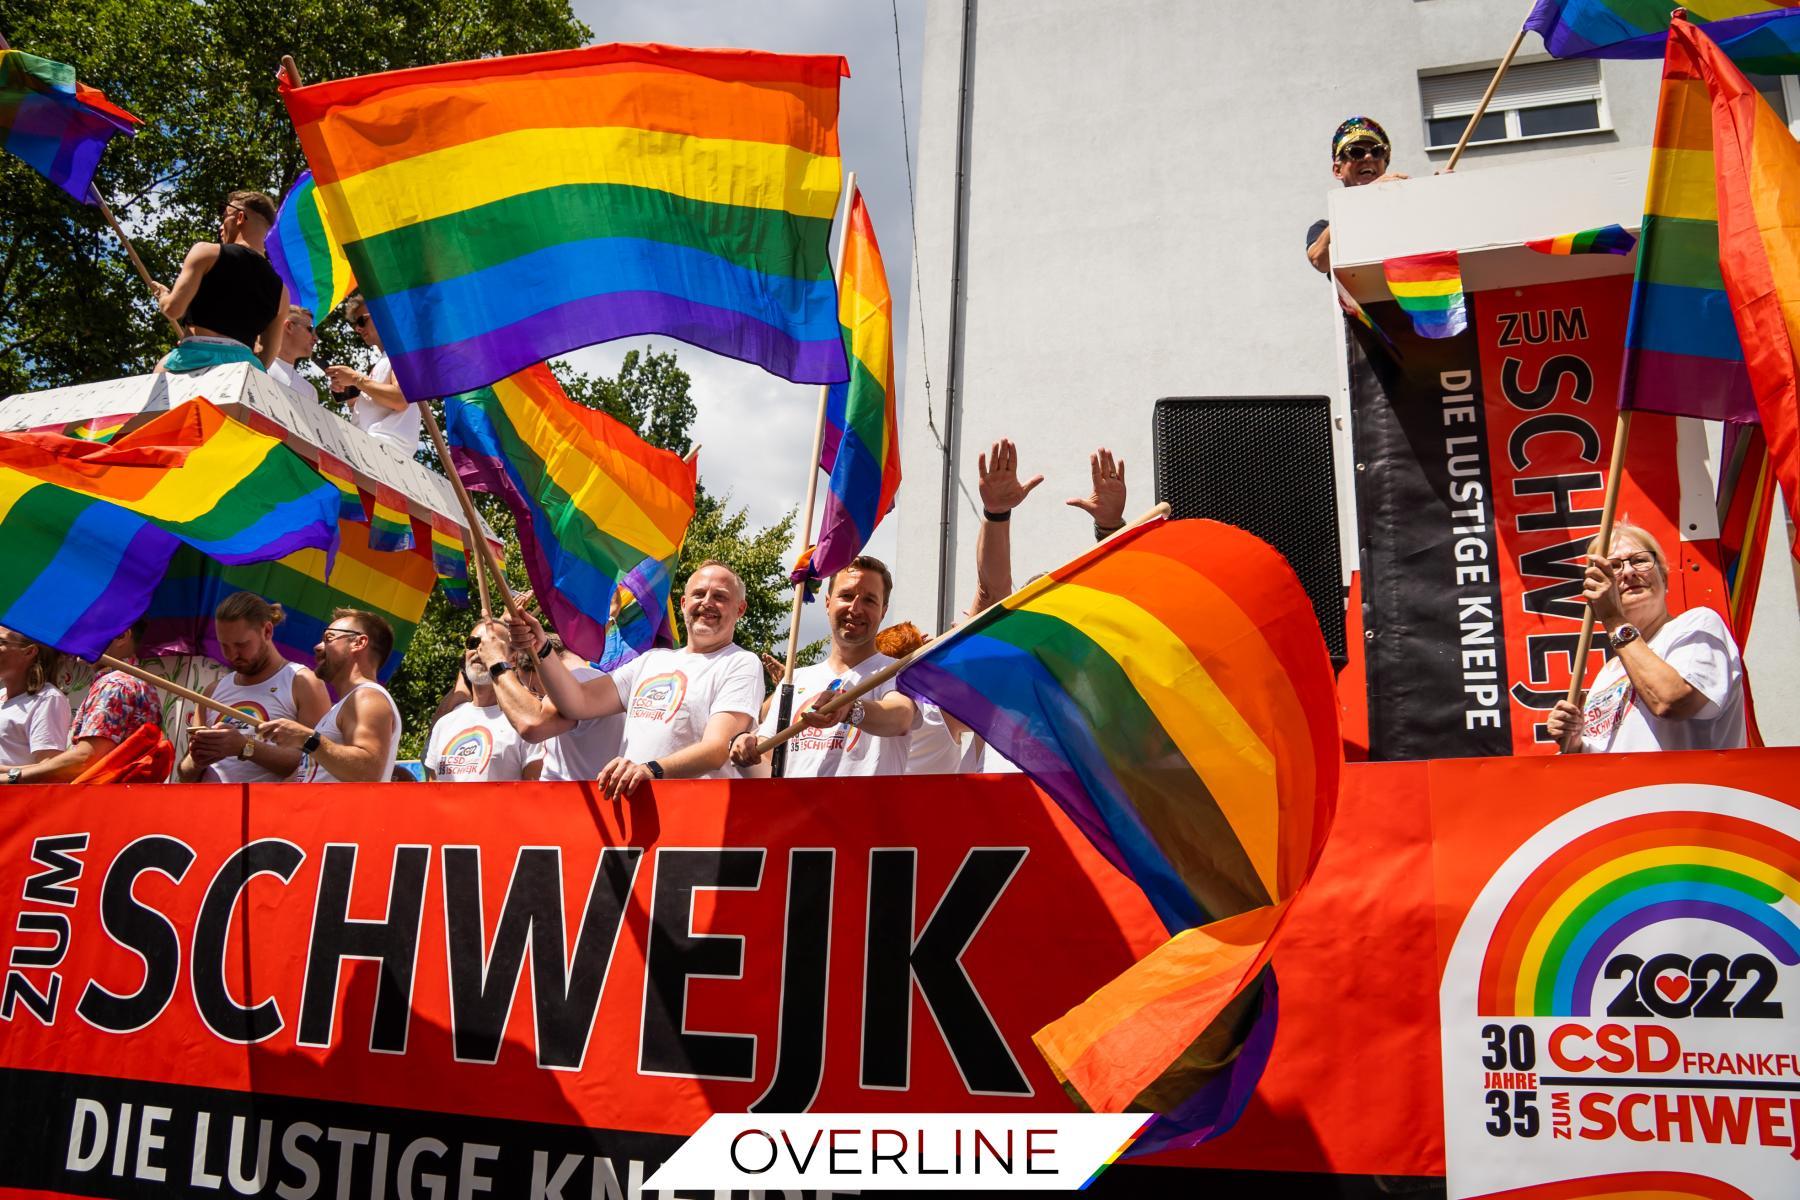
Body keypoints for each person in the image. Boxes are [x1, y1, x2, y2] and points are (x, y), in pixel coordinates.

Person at [483, 562, 761, 797]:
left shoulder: (740, 662)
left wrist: (648, 769)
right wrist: (540, 645)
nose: (707, 603)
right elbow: (578, 702)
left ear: (740, 609)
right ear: (684, 603)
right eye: (699, 594)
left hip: (694, 817)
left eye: (720, 596)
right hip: (633, 814)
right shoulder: (652, 661)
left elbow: (716, 749)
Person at [1546, 524, 1746, 754]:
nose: (1629, 572)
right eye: (1614, 566)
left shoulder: (1697, 625)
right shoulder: (1608, 673)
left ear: (1664, 577)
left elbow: (1671, 702)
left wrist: (1613, 619)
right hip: (1627, 790)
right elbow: (1605, 760)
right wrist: (1575, 743)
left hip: (1688, 787)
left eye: (1640, 560)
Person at [733, 556, 918, 777]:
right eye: (847, 596)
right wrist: (743, 746)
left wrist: (850, 709)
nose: (856, 608)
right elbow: (767, 763)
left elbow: (901, 717)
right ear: (828, 602)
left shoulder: (898, 672)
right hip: (798, 811)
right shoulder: (795, 679)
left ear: (884, 610)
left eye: (869, 600)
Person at [177, 593, 330, 783]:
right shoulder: (212, 691)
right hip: (210, 809)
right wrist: (196, 761)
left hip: (266, 810)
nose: (232, 655)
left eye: (241, 644)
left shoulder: (302, 683)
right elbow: (184, 774)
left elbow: (316, 765)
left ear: (267, 631)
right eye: (224, 645)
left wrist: (245, 747)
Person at [256, 608, 402, 783]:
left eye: (328, 638)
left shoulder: (367, 697)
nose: (317, 647)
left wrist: (306, 738)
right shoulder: (345, 705)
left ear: (359, 642)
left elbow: (367, 771)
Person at [152, 191, 287, 373]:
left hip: (191, 360)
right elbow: (267, 357)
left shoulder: (206, 252)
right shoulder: (282, 291)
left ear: (239, 217)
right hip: (242, 372)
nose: (221, 226)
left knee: (158, 374)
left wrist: (163, 295)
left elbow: (173, 309)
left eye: (224, 216)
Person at [484, 629, 624, 783]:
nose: (538, 698)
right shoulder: (593, 679)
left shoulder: (580, 680)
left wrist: (496, 661)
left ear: (539, 667)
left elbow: (532, 725)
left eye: (535, 689)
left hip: (578, 801)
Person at [423, 633, 544, 782]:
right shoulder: (444, 724)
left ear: (513, 659)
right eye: (473, 643)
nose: (480, 650)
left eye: (492, 645)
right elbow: (434, 790)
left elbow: (534, 793)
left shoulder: (526, 723)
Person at [1306, 117, 1408, 275]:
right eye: (1356, 152)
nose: (1368, 157)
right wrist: (1364, 198)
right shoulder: (1324, 227)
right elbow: (1320, 260)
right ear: (1338, 170)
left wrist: (1446, 190)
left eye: (1377, 151)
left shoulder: (1406, 209)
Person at [325, 295, 421, 455]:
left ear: (382, 314)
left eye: (362, 321)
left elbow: (401, 399)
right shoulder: (386, 359)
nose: (357, 328)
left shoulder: (400, 353)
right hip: (373, 449)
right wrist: (352, 400)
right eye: (355, 324)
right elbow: (377, 411)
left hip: (385, 450)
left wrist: (356, 379)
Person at [0, 627, 70, 785]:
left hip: (14, 803)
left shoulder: (47, 699)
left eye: (1, 642)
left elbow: (49, 770)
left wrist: (5, 773)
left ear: (29, 652)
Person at [266, 305, 318, 396]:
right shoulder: (254, 364)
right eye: (310, 329)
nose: (315, 338)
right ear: (289, 326)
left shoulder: (310, 392)